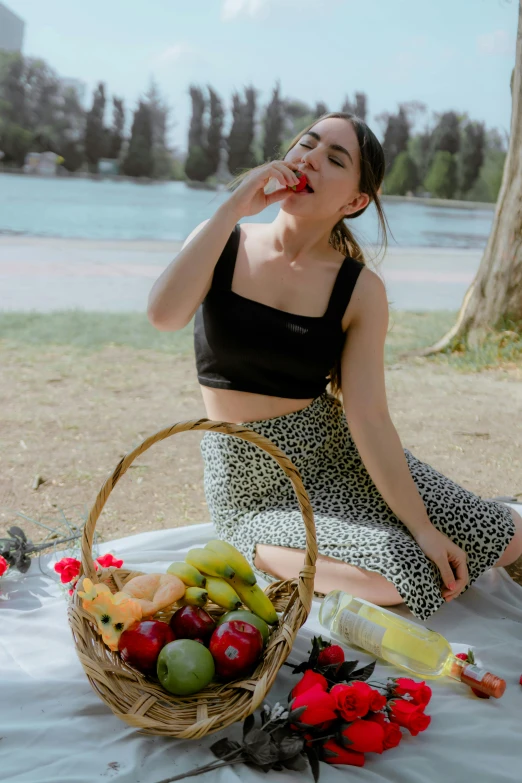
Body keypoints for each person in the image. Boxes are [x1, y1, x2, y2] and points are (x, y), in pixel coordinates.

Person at [148, 112, 522, 620]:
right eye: (308, 144)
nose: (310, 160)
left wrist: (424, 525)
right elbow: (164, 315)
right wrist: (235, 206)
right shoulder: (224, 241)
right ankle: (255, 546)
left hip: (335, 452)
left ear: (354, 202)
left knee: (505, 537)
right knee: (399, 571)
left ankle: (390, 528)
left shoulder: (360, 290)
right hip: (253, 482)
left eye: (334, 159)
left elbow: (368, 417)